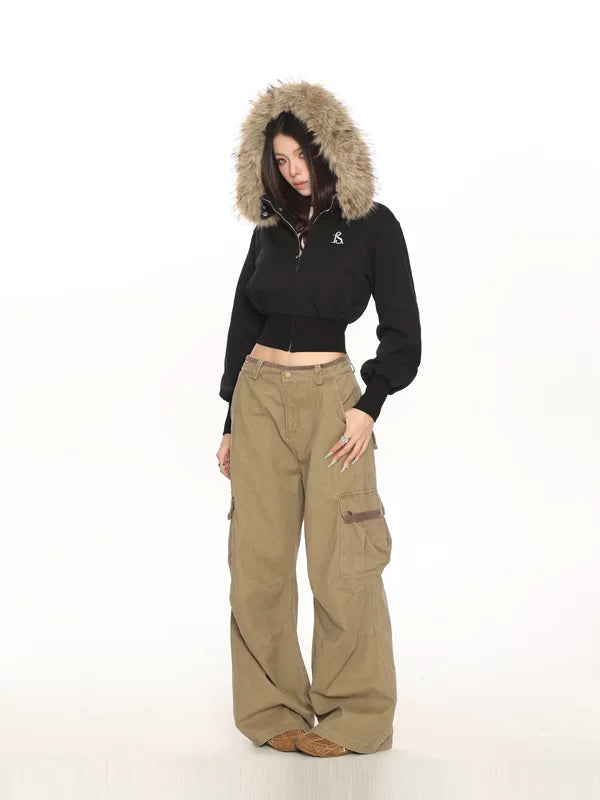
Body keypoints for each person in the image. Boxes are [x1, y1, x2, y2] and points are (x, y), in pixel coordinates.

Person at [216, 80, 422, 757]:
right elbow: (244, 318)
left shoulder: (373, 225)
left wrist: (369, 406)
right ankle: (272, 708)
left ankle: (356, 717)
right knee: (258, 562)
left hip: (333, 402)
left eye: (301, 154)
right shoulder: (269, 229)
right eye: (279, 159)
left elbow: (403, 332)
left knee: (344, 563)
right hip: (258, 399)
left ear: (330, 148)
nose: (293, 169)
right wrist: (230, 418)